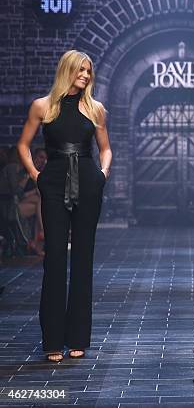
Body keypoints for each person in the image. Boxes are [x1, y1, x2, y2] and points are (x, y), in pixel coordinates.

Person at [16, 50, 112, 362]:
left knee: (83, 260)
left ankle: (78, 338)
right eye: (81, 70)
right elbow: (23, 144)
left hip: (87, 180)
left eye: (89, 72)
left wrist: (102, 174)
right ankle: (53, 340)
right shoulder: (42, 106)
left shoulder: (95, 108)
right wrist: (36, 175)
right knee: (54, 260)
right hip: (54, 181)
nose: (85, 76)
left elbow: (106, 149)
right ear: (67, 70)